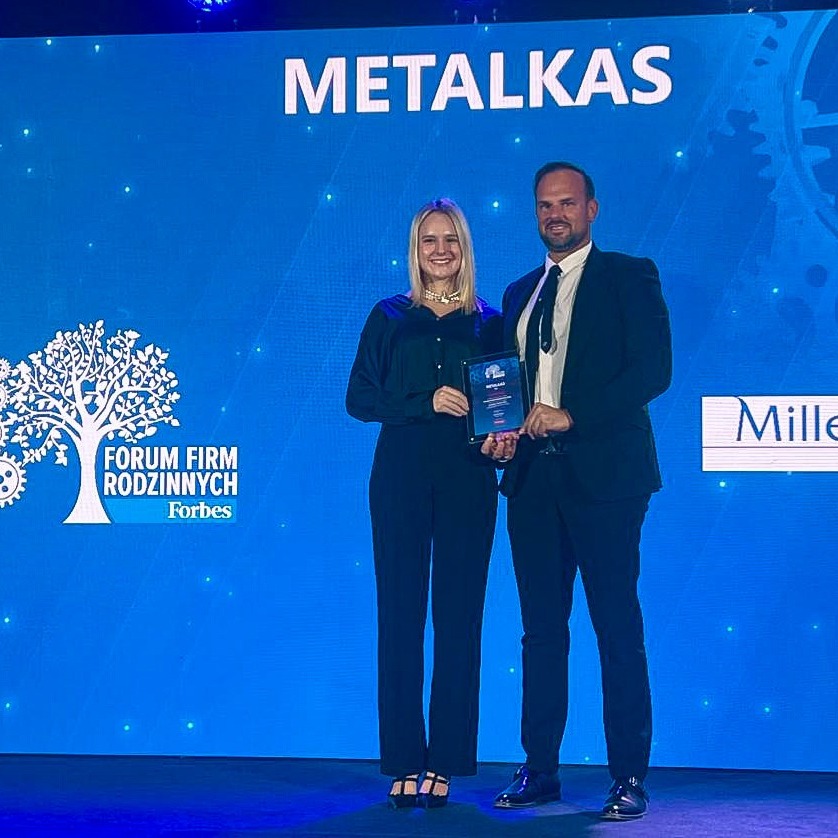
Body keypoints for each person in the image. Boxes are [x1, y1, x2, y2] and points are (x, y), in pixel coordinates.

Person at [486, 162, 672, 820]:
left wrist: (573, 414)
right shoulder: (518, 293)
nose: (555, 214)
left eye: (567, 203)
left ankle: (628, 777)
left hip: (607, 480)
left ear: (592, 209)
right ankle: (539, 768)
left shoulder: (628, 275)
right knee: (540, 632)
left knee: (616, 626)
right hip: (533, 482)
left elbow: (652, 371)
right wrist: (499, 433)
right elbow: (504, 386)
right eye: (545, 205)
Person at [346, 198, 507, 809]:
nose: (440, 251)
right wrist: (425, 401)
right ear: (415, 251)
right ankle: (404, 760)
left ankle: (446, 761)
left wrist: (501, 442)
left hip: (469, 478)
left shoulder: (491, 323)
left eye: (450, 240)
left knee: (460, 618)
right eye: (429, 241)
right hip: (400, 476)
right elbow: (359, 398)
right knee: (400, 614)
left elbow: (501, 408)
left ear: (465, 248)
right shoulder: (389, 316)